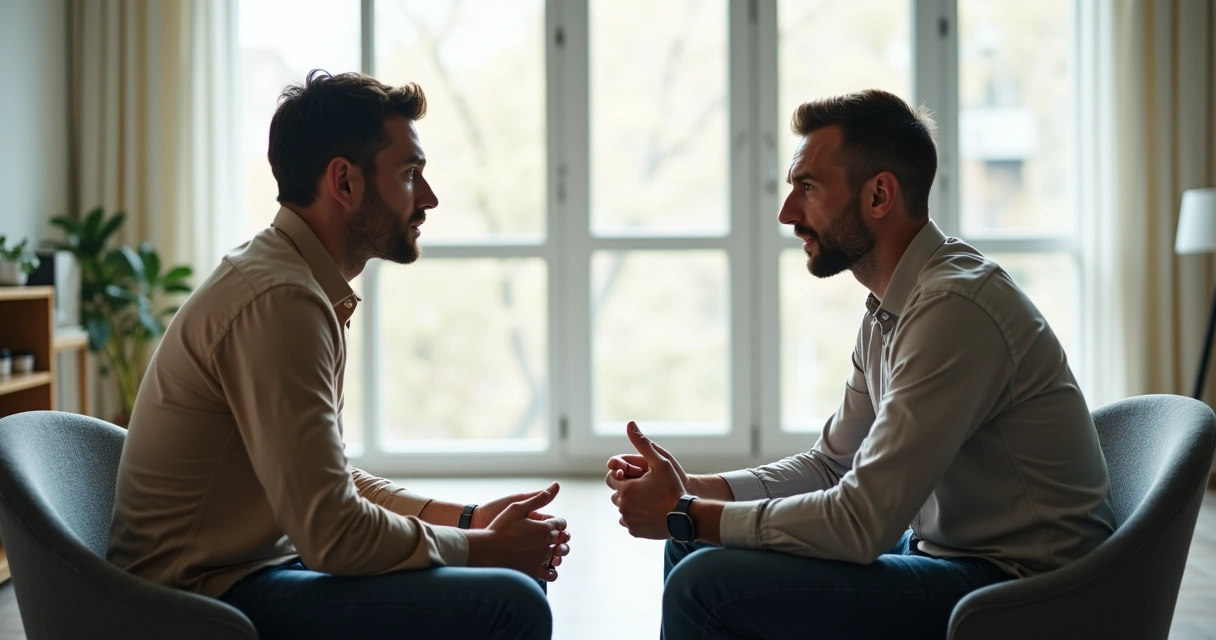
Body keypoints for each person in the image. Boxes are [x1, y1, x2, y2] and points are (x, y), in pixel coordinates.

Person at [605, 89, 1116, 639]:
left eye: (808, 187)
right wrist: (694, 491)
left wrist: (686, 510)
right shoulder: (892, 308)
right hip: (948, 555)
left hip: (1023, 594)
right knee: (692, 542)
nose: (786, 213)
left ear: (879, 195)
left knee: (705, 582)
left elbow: (860, 523)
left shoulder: (954, 309)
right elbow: (833, 464)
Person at [108, 70, 570, 640]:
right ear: (344, 183)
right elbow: (331, 532)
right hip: (195, 603)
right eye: (409, 174)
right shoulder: (282, 300)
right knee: (510, 601)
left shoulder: (290, 280)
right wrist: (481, 549)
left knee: (508, 579)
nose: (428, 198)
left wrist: (471, 523)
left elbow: (331, 483)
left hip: (251, 570)